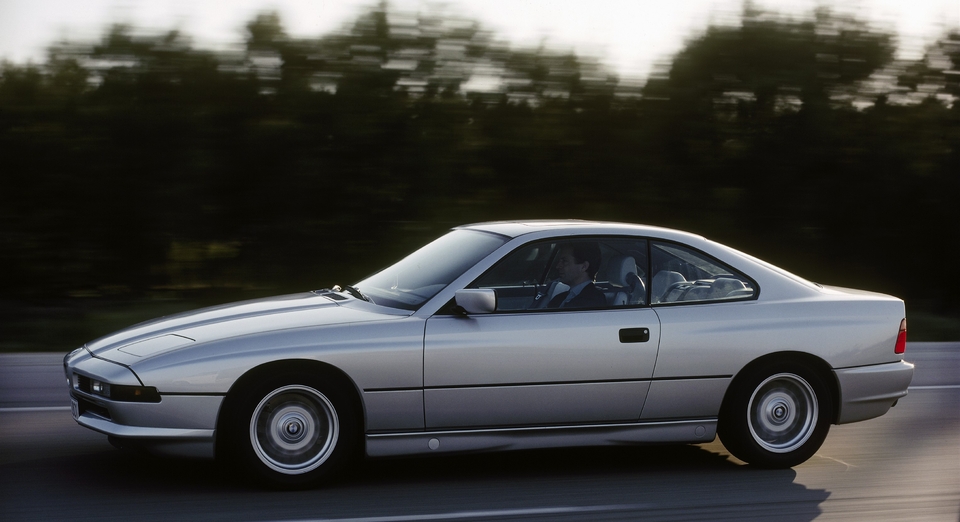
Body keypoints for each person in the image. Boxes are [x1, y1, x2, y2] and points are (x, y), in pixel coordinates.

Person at [547, 242, 607, 309]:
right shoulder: (560, 297)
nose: (558, 266)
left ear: (583, 267)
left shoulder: (593, 301)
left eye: (565, 261)